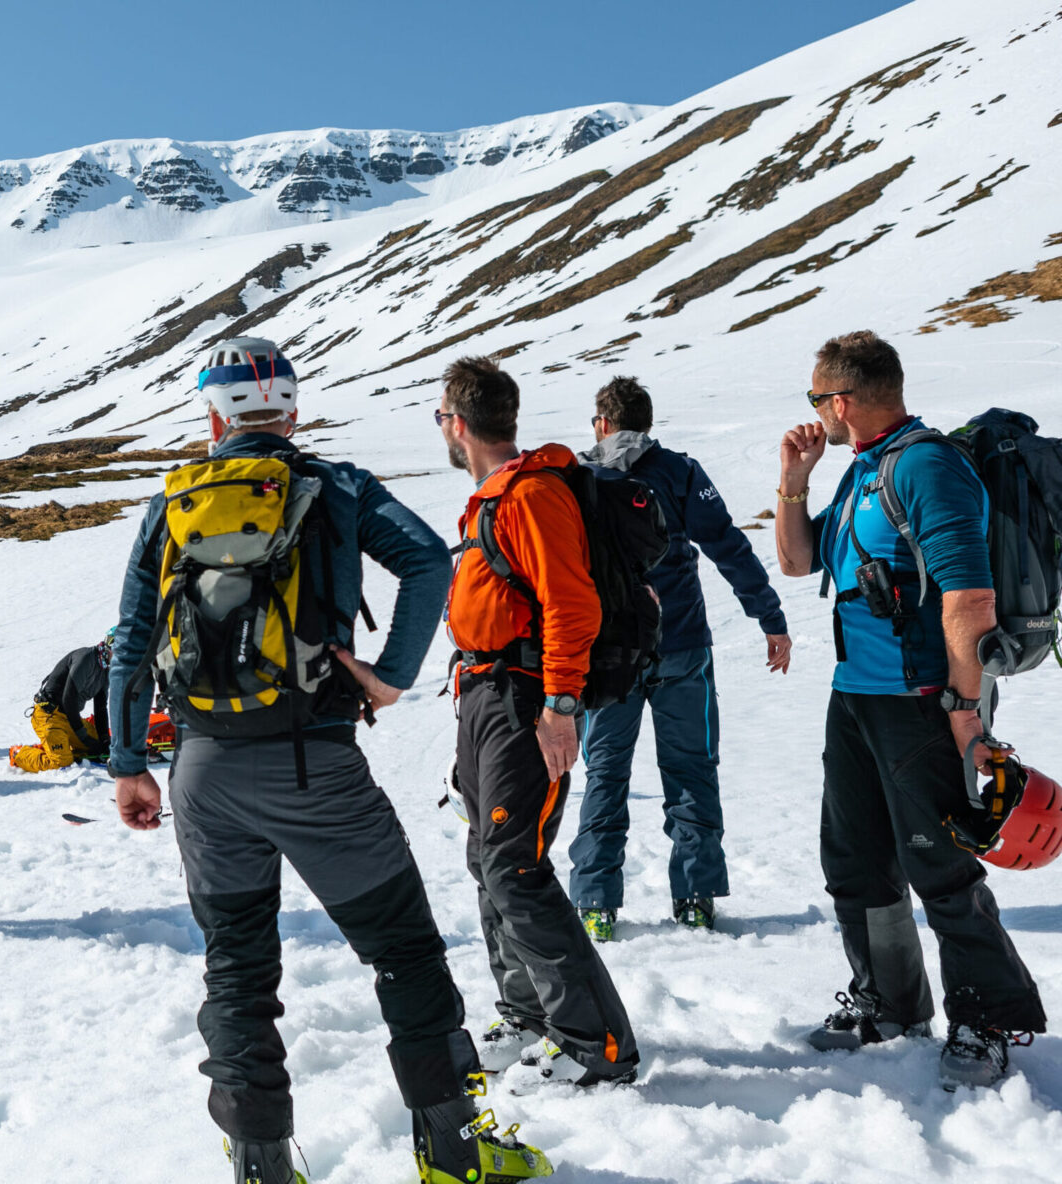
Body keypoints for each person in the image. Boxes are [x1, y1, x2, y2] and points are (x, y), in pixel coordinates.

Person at [111, 338, 551, 1183]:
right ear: (292, 411)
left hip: (202, 769)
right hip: (315, 763)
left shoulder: (170, 502)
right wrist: (390, 677)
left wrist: (129, 761)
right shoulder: (335, 486)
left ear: (212, 417)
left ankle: (261, 1169)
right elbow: (429, 559)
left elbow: (131, 640)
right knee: (404, 951)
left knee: (236, 968)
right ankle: (457, 1152)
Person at [774, 330, 1045, 1086]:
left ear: (843, 400)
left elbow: (970, 599)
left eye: (817, 400)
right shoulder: (863, 469)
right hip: (856, 697)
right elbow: (798, 562)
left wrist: (965, 715)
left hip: (922, 701)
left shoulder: (927, 466)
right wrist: (794, 480)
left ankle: (988, 1019)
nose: (816, 414)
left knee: (941, 867)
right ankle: (888, 1004)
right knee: (855, 860)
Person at [436, 355, 640, 1089]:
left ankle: (597, 1044)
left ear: (459, 426)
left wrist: (559, 706)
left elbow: (572, 604)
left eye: (441, 420)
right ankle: (526, 1013)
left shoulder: (530, 495)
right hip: (488, 692)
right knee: (488, 858)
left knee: (514, 864)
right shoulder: (497, 496)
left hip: (527, 697)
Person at [570, 377, 793, 939]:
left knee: (605, 774)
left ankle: (595, 902)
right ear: (647, 424)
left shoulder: (580, 480)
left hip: (608, 656)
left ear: (601, 423)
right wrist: (769, 617)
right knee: (691, 771)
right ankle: (693, 896)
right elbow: (728, 547)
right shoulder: (680, 472)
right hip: (683, 646)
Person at [9, 631, 113, 772]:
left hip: (68, 717)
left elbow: (100, 707)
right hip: (49, 716)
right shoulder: (87, 658)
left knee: (98, 744)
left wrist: (104, 740)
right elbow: (68, 698)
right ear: (109, 648)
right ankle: (19, 754)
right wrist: (83, 736)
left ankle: (60, 746)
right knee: (61, 762)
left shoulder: (105, 670)